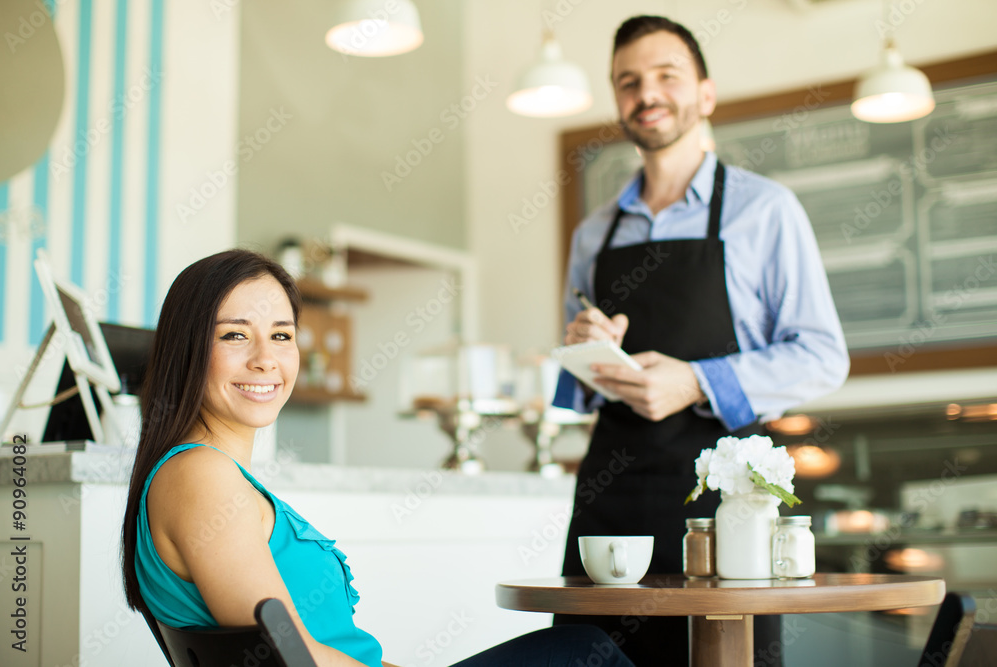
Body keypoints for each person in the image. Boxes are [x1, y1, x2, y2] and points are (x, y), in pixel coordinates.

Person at [120, 249, 635, 667]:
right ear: (188, 348)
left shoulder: (203, 474)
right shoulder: (200, 475)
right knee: (584, 650)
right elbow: (287, 658)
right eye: (235, 334)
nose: (266, 358)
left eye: (281, 334)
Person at [551, 15, 850, 667]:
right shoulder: (594, 233)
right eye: (628, 81)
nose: (646, 93)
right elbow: (576, 390)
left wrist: (693, 380)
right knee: (586, 656)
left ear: (705, 95)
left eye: (666, 76)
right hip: (613, 489)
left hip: (726, 501)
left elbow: (824, 353)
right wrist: (583, 348)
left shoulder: (765, 211)